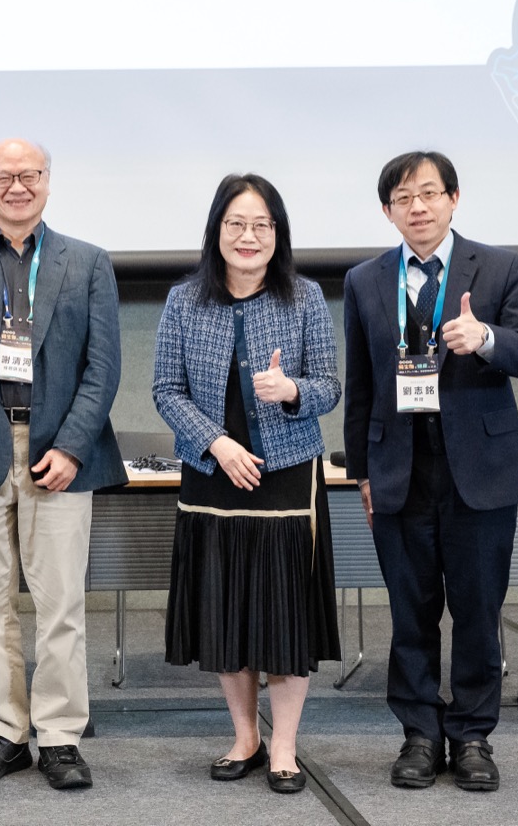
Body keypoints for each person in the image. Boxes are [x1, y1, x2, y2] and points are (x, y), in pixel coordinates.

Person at [0, 139, 124, 791]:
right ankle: (5, 731)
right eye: (2, 176)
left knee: (60, 602)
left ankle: (60, 736)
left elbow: (104, 367)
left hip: (58, 449)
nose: (17, 185)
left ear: (47, 181)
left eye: (29, 174)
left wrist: (72, 447)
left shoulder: (87, 262)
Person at [342, 151, 518, 793]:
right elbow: (360, 385)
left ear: (454, 199)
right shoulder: (365, 280)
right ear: (388, 211)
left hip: (479, 470)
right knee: (411, 613)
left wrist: (485, 339)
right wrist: (362, 474)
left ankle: (473, 736)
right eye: (403, 198)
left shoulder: (502, 268)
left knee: (478, 610)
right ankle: (420, 735)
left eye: (429, 193)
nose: (418, 207)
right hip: (399, 469)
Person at [152, 173, 341, 796]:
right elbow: (166, 390)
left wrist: (292, 391)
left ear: (277, 233)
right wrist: (217, 442)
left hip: (286, 476)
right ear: (217, 230)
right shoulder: (184, 301)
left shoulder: (305, 298)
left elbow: (329, 387)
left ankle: (284, 744)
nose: (248, 236)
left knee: (285, 615)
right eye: (236, 223)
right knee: (225, 609)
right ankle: (245, 737)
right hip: (212, 475)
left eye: (261, 224)